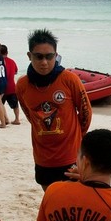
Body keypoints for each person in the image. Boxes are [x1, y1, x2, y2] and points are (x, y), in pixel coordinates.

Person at [15, 29, 92, 191]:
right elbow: (30, 115)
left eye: (49, 56)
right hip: (43, 158)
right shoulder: (22, 85)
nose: (44, 62)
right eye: (39, 56)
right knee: (51, 198)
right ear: (29, 56)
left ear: (56, 55)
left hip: (70, 155)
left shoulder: (69, 80)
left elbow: (85, 113)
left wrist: (77, 136)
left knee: (73, 200)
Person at [0, 43, 21, 125]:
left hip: (2, 87)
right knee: (15, 104)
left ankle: (0, 118)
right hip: (12, 87)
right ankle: (17, 119)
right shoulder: (12, 61)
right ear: (7, 52)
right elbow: (15, 72)